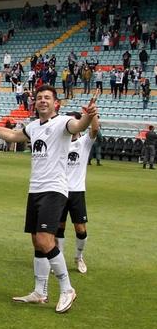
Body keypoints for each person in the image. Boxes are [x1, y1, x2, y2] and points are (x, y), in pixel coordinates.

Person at [0, 86, 98, 313]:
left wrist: (88, 115)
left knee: (45, 239)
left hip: (54, 190)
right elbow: (12, 135)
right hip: (35, 190)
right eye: (39, 98)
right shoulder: (33, 126)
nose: (42, 101)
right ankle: (40, 292)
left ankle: (67, 288)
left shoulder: (63, 122)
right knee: (36, 242)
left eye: (47, 98)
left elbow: (80, 126)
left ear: (55, 103)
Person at [57, 109, 99, 274]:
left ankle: (78, 256)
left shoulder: (84, 143)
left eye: (74, 122)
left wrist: (93, 114)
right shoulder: (60, 142)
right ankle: (58, 258)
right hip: (59, 190)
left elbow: (94, 130)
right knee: (59, 226)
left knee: (80, 229)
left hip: (77, 192)